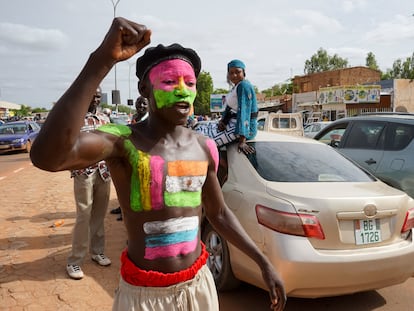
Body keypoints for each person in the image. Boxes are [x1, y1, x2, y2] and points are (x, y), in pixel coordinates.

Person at [30, 17, 286, 311]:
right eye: (168, 81)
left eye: (189, 83)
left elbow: (219, 214)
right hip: (146, 297)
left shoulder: (204, 147)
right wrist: (101, 60)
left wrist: (263, 262)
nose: (182, 91)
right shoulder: (123, 142)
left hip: (198, 288)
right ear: (144, 90)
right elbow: (47, 156)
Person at [66, 87, 112, 280]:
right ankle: (74, 261)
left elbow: (112, 143)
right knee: (84, 215)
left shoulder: (104, 119)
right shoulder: (75, 118)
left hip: (104, 172)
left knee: (99, 215)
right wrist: (73, 167)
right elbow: (67, 145)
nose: (95, 100)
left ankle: (97, 251)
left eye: (98, 96)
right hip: (84, 173)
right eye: (92, 96)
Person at [195, 59, 258, 155]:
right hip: (232, 123)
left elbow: (244, 112)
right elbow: (229, 107)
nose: (234, 75)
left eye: (238, 72)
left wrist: (242, 140)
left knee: (202, 143)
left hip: (244, 129)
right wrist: (223, 121)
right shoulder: (236, 87)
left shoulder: (244, 86)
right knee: (199, 130)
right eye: (231, 73)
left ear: (244, 72)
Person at [111, 95, 149, 220]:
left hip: (142, 157)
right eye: (139, 103)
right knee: (125, 184)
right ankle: (123, 208)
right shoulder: (134, 118)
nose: (141, 106)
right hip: (129, 156)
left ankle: (130, 213)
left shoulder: (149, 120)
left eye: (144, 103)